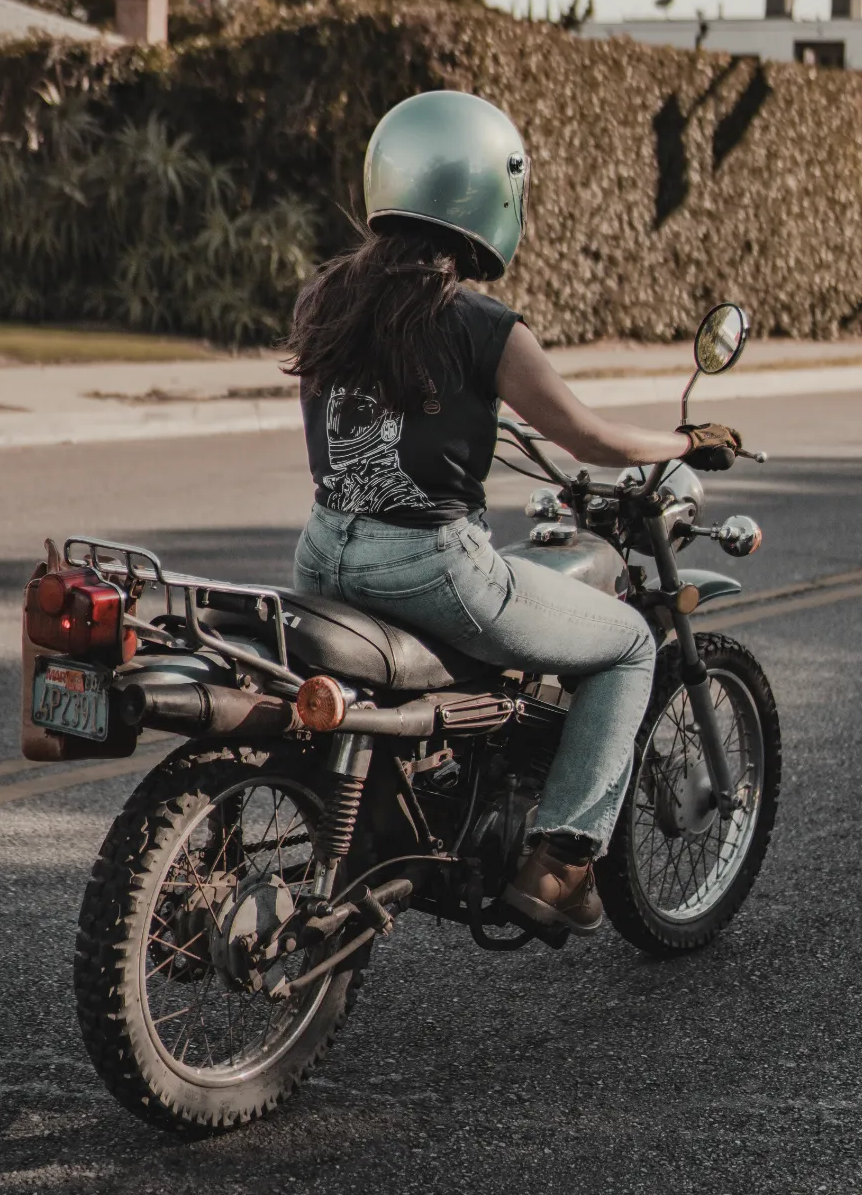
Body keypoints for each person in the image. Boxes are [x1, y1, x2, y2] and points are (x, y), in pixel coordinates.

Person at [284, 90, 740, 935]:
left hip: (321, 553)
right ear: (490, 190)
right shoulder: (479, 322)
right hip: (427, 566)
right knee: (630, 643)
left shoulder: (327, 298)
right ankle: (564, 861)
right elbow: (586, 434)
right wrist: (680, 443)